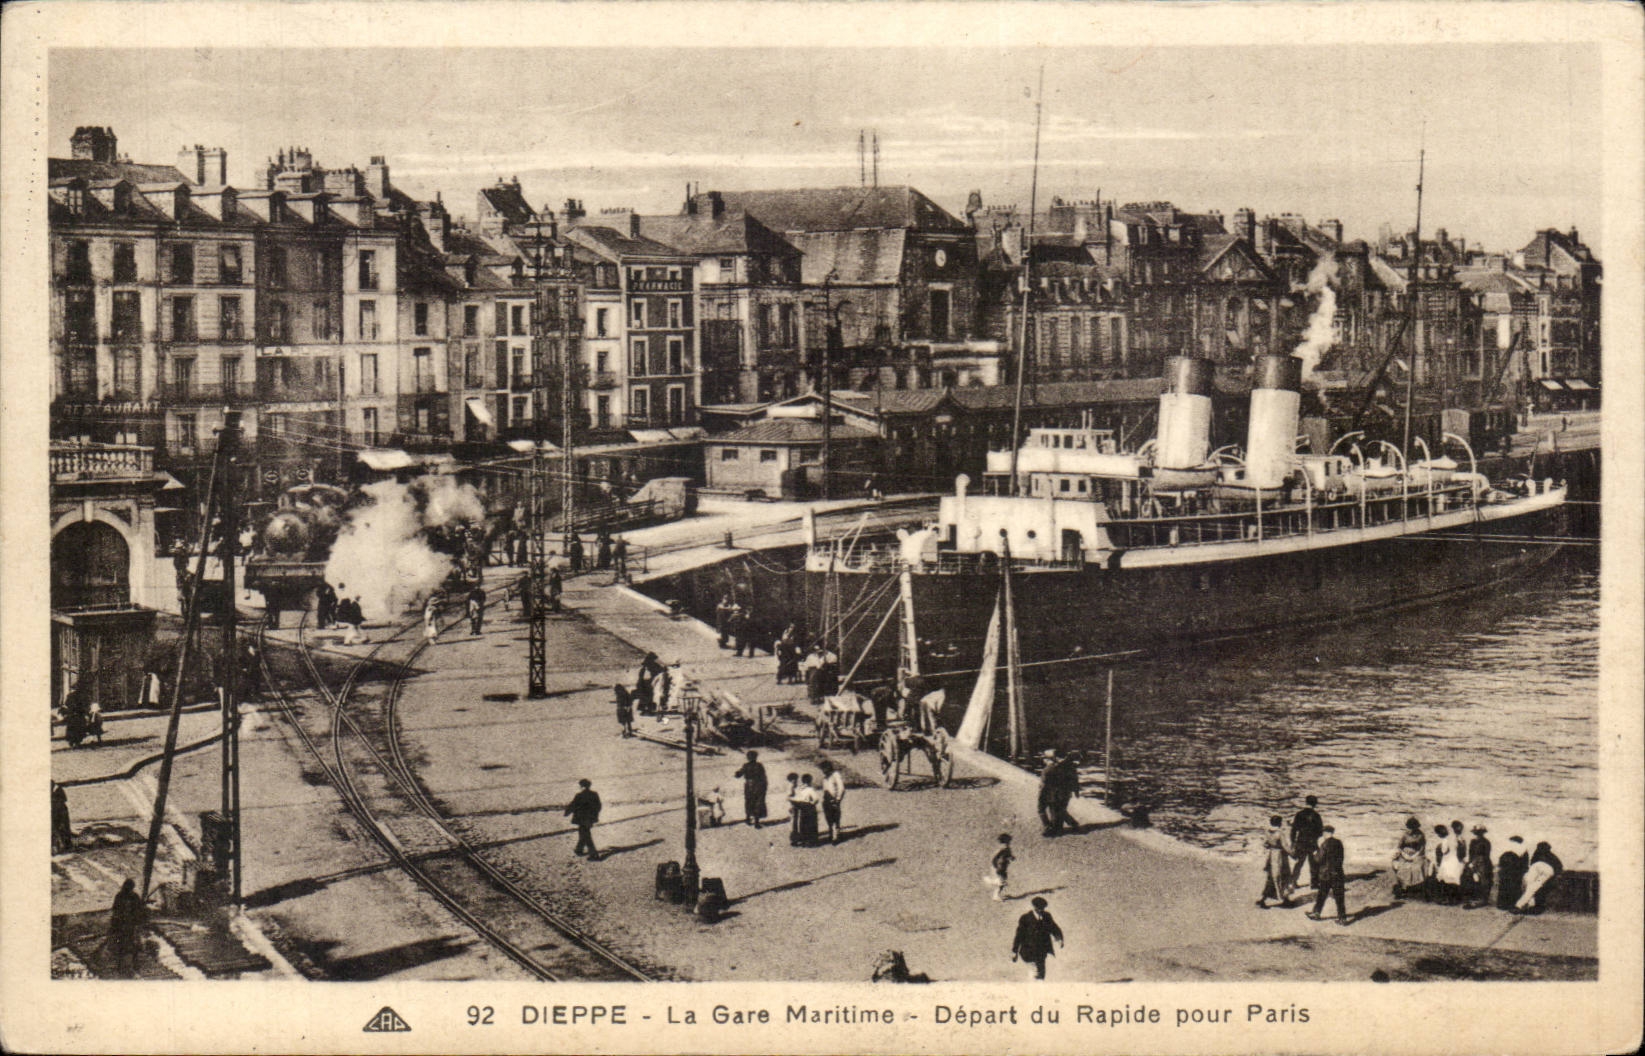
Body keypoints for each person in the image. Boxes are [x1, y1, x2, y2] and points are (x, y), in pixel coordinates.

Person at [1011, 897, 1065, 980]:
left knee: (1041, 975)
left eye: (1042, 909)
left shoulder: (1047, 916)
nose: (1041, 911)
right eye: (1039, 909)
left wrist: (1059, 938)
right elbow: (1019, 936)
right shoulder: (1025, 918)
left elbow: (1054, 928)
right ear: (1034, 907)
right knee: (1035, 974)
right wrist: (1015, 951)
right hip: (1029, 952)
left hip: (1042, 952)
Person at [1306, 824, 1350, 925]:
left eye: (1324, 833)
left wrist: (1314, 854)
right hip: (1338, 873)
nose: (1323, 834)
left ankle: (1316, 913)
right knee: (1339, 897)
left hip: (1326, 874)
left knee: (1322, 894)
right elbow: (1341, 858)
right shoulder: (1339, 843)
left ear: (1326, 833)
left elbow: (1318, 859)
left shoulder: (1324, 844)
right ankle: (1342, 918)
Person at [108, 878, 146, 978]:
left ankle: (127, 965)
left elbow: (138, 911)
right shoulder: (126, 896)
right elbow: (116, 911)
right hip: (125, 925)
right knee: (128, 944)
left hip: (126, 925)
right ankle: (128, 965)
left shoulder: (123, 896)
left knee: (126, 944)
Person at [1514, 841, 1563, 913]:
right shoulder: (1552, 856)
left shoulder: (1537, 854)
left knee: (1530, 885)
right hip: (1546, 870)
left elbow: (1531, 864)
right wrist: (1556, 875)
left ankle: (1522, 905)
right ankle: (1526, 905)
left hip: (1539, 867)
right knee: (1533, 885)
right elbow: (1559, 867)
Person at [1257, 815, 1292, 908]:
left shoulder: (1268, 832)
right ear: (1279, 823)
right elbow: (1285, 846)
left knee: (1271, 877)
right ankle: (1284, 899)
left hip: (1272, 855)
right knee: (1283, 876)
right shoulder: (1280, 833)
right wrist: (1293, 853)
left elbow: (1265, 844)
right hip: (1280, 856)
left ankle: (1263, 899)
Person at [1290, 795, 1324, 891]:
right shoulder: (1316, 816)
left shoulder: (1299, 814)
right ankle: (1314, 883)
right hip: (1312, 842)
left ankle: (1293, 882)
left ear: (1306, 802)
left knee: (1299, 863)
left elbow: (1294, 829)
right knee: (1314, 863)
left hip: (1300, 842)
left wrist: (1293, 842)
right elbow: (1320, 831)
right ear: (1315, 804)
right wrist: (1315, 837)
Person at [1391, 816, 1429, 899]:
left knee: (1417, 867)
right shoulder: (1405, 835)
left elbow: (1422, 847)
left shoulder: (1421, 835)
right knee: (1403, 868)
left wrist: (1415, 855)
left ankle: (1416, 886)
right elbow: (1399, 847)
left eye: (1413, 828)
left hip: (1417, 854)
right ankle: (1403, 888)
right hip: (1404, 854)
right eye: (1410, 828)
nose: (1411, 830)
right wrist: (1405, 855)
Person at [565, 779, 602, 860]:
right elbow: (598, 806)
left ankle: (593, 854)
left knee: (586, 835)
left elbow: (573, 805)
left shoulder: (579, 795)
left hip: (581, 819)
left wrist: (567, 812)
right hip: (590, 818)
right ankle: (579, 849)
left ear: (581, 786)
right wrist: (594, 815)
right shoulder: (594, 794)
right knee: (584, 833)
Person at [733, 750, 768, 828]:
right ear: (756, 757)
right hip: (758, 785)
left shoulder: (746, 765)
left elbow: (738, 775)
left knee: (749, 801)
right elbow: (763, 777)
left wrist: (737, 773)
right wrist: (765, 787)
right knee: (758, 803)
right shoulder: (759, 765)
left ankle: (748, 819)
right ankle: (756, 822)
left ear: (748, 758)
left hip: (749, 786)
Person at [1462, 825, 1494, 908]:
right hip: (1475, 861)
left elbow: (1486, 855)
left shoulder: (1486, 842)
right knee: (1471, 877)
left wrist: (1474, 862)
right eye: (1476, 833)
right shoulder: (1473, 841)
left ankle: (1483, 898)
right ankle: (1475, 897)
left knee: (1483, 879)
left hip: (1482, 861)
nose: (1478, 834)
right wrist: (1470, 863)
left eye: (1479, 833)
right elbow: (1470, 853)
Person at [1432, 822, 1464, 903]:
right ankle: (1453, 898)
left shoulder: (1446, 840)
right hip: (1456, 861)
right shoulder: (1458, 838)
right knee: (1453, 879)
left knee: (1445, 877)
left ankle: (1447, 898)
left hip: (1448, 860)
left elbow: (1444, 851)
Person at [1496, 836, 1529, 910]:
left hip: (1508, 871)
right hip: (1515, 871)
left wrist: (1501, 869)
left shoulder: (1509, 849)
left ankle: (1503, 904)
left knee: (1505, 887)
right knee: (1514, 887)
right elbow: (1525, 863)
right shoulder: (1523, 850)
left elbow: (1501, 860)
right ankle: (1511, 904)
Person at [788, 773, 820, 847]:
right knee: (811, 825)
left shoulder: (799, 789)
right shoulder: (810, 789)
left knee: (803, 824)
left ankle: (803, 840)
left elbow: (796, 798)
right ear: (810, 781)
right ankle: (811, 841)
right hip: (809, 808)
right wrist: (812, 803)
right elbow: (816, 799)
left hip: (802, 808)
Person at [819, 759, 846, 844]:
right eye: (822, 769)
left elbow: (841, 788)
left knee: (835, 818)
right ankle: (831, 833)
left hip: (834, 800)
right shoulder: (824, 777)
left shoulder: (835, 775)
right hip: (826, 800)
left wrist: (838, 799)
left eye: (824, 769)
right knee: (828, 818)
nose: (823, 771)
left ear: (828, 768)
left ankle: (836, 836)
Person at [987, 833, 1014, 901]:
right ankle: (996, 896)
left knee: (1003, 880)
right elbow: (995, 857)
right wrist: (995, 865)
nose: (1010, 841)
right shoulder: (1003, 848)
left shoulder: (1006, 847)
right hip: (1000, 867)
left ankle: (996, 893)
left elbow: (1007, 855)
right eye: (1009, 840)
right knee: (1002, 882)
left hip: (1003, 867)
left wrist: (1010, 857)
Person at [51, 782, 74, 854]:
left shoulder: (57, 789)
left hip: (58, 810)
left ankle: (65, 845)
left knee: (61, 827)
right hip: (57, 809)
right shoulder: (57, 788)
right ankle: (64, 845)